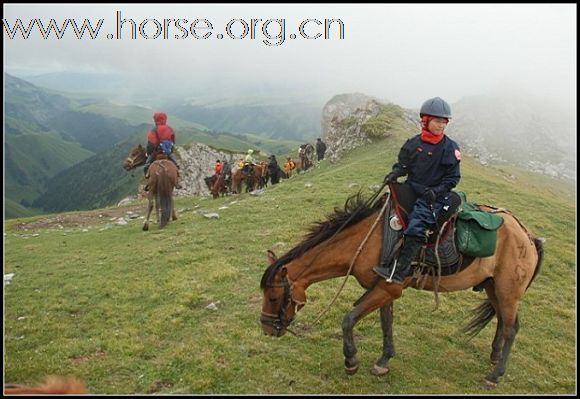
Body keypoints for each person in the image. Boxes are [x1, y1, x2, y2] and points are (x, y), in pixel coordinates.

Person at [373, 97, 461, 285]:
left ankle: (399, 272)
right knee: (388, 211)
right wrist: (395, 173)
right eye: (438, 121)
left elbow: (453, 178)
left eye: (444, 122)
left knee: (416, 225)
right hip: (413, 188)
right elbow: (404, 165)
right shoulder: (412, 144)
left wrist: (436, 192)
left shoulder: (450, 148)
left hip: (434, 197)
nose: (441, 126)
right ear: (425, 121)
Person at [143, 112, 182, 190]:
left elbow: (151, 143)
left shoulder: (154, 130)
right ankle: (177, 181)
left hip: (157, 152)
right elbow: (173, 140)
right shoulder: (170, 129)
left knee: (146, 165)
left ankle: (148, 181)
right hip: (167, 152)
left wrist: (149, 152)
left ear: (156, 120)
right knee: (176, 164)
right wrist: (169, 149)